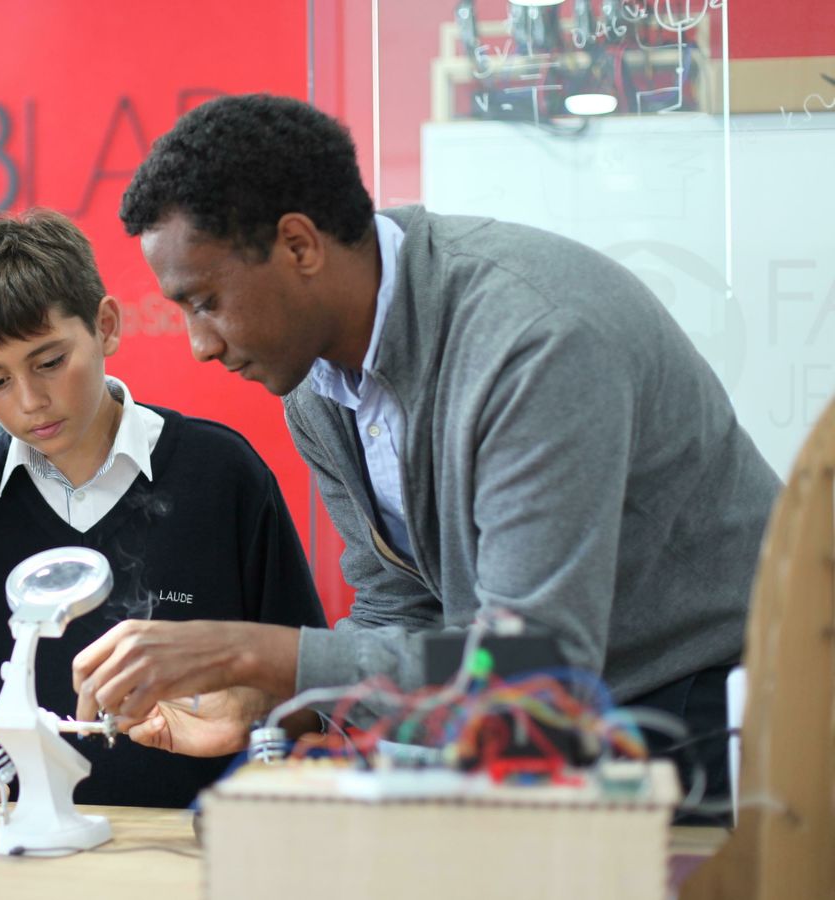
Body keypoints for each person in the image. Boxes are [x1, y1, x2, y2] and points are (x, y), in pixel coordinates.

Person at [71, 95, 779, 802]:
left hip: (714, 717)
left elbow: (535, 667)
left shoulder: (533, 343)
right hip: (544, 728)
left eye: (205, 301)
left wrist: (252, 652)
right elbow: (398, 610)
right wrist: (282, 702)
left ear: (299, 246)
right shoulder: (315, 385)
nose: (200, 345)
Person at [0, 209, 325, 809]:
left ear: (105, 326)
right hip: (2, 837)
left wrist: (259, 720)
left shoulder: (221, 475)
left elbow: (308, 683)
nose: (32, 401)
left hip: (187, 842)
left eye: (50, 362)